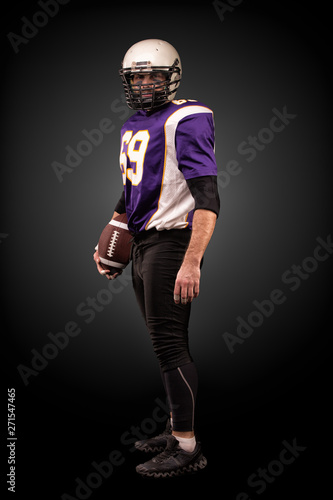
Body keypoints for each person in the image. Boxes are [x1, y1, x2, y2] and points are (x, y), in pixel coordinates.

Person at [93, 39, 220, 477]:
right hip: (145, 243)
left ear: (172, 76)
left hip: (172, 244)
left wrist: (192, 260)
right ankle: (176, 428)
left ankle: (187, 448)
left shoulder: (188, 117)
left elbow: (208, 197)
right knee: (161, 344)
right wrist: (109, 232)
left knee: (170, 345)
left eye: (154, 76)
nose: (145, 84)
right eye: (137, 77)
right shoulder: (133, 124)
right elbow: (133, 191)